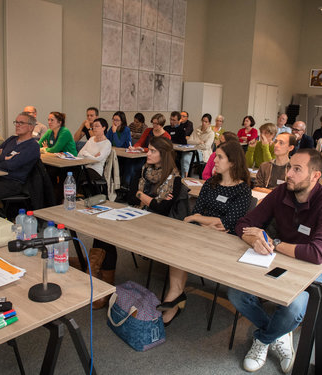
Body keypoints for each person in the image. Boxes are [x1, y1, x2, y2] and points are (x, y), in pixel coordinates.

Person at [228, 149, 322, 373]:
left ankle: (263, 339)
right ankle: (280, 333)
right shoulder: (281, 192)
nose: (288, 173)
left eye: (297, 169)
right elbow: (243, 223)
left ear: (315, 175)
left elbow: (318, 253)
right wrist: (254, 237)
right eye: (289, 167)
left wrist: (274, 243)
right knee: (236, 293)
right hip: (278, 260)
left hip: (316, 271)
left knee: (294, 306)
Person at [158, 141, 252, 326]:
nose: (214, 160)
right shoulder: (211, 183)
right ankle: (174, 294)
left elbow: (226, 223)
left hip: (225, 240)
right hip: (202, 232)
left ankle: (174, 297)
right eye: (215, 155)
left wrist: (198, 220)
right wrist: (202, 222)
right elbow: (197, 211)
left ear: (232, 162)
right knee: (179, 244)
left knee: (185, 242)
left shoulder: (243, 190)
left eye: (219, 157)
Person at [85, 137, 182, 309]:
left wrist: (141, 195)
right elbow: (129, 196)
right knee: (103, 232)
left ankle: (98, 284)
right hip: (136, 215)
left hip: (157, 225)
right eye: (148, 150)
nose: (148, 153)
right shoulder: (142, 170)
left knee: (107, 235)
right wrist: (148, 199)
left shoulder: (173, 178)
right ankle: (98, 284)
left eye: (153, 151)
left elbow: (162, 209)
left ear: (164, 155)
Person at [0, 112, 40, 211]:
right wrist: (4, 157)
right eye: (16, 122)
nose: (17, 125)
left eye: (21, 123)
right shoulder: (12, 139)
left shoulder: (32, 146)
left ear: (31, 127)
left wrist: (0, 157)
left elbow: (12, 164)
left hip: (12, 182)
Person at [78, 118, 112, 194]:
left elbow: (98, 160)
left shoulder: (107, 143)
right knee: (72, 171)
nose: (94, 128)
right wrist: (92, 156)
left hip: (96, 170)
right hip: (86, 167)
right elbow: (80, 154)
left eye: (97, 126)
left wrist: (86, 154)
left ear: (104, 128)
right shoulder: (91, 139)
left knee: (79, 175)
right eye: (93, 126)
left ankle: (80, 195)